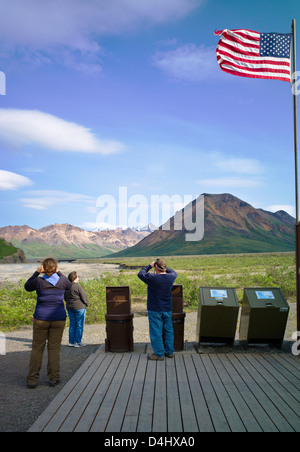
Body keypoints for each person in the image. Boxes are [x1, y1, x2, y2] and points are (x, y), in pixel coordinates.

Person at [24, 258, 71, 389]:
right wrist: (60, 272)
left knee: (37, 348)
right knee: (54, 349)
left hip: (41, 319)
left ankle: (32, 380)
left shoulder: (38, 281)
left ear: (43, 268)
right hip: (58, 318)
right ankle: (54, 378)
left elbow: (27, 287)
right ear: (56, 268)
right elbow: (70, 286)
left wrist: (36, 272)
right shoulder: (62, 280)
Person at [138, 259, 177, 361]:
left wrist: (150, 266)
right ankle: (169, 352)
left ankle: (159, 354)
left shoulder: (153, 277)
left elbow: (140, 274)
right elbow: (173, 272)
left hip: (155, 309)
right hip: (167, 308)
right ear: (165, 268)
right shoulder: (171, 277)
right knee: (168, 331)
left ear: (156, 268)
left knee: (156, 332)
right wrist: (163, 266)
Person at [65, 271, 89, 348]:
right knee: (79, 325)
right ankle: (78, 342)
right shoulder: (78, 286)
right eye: (78, 276)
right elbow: (84, 296)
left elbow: (65, 297)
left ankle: (71, 342)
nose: (79, 278)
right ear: (75, 277)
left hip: (70, 307)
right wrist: (86, 303)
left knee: (72, 324)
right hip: (79, 307)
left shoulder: (67, 286)